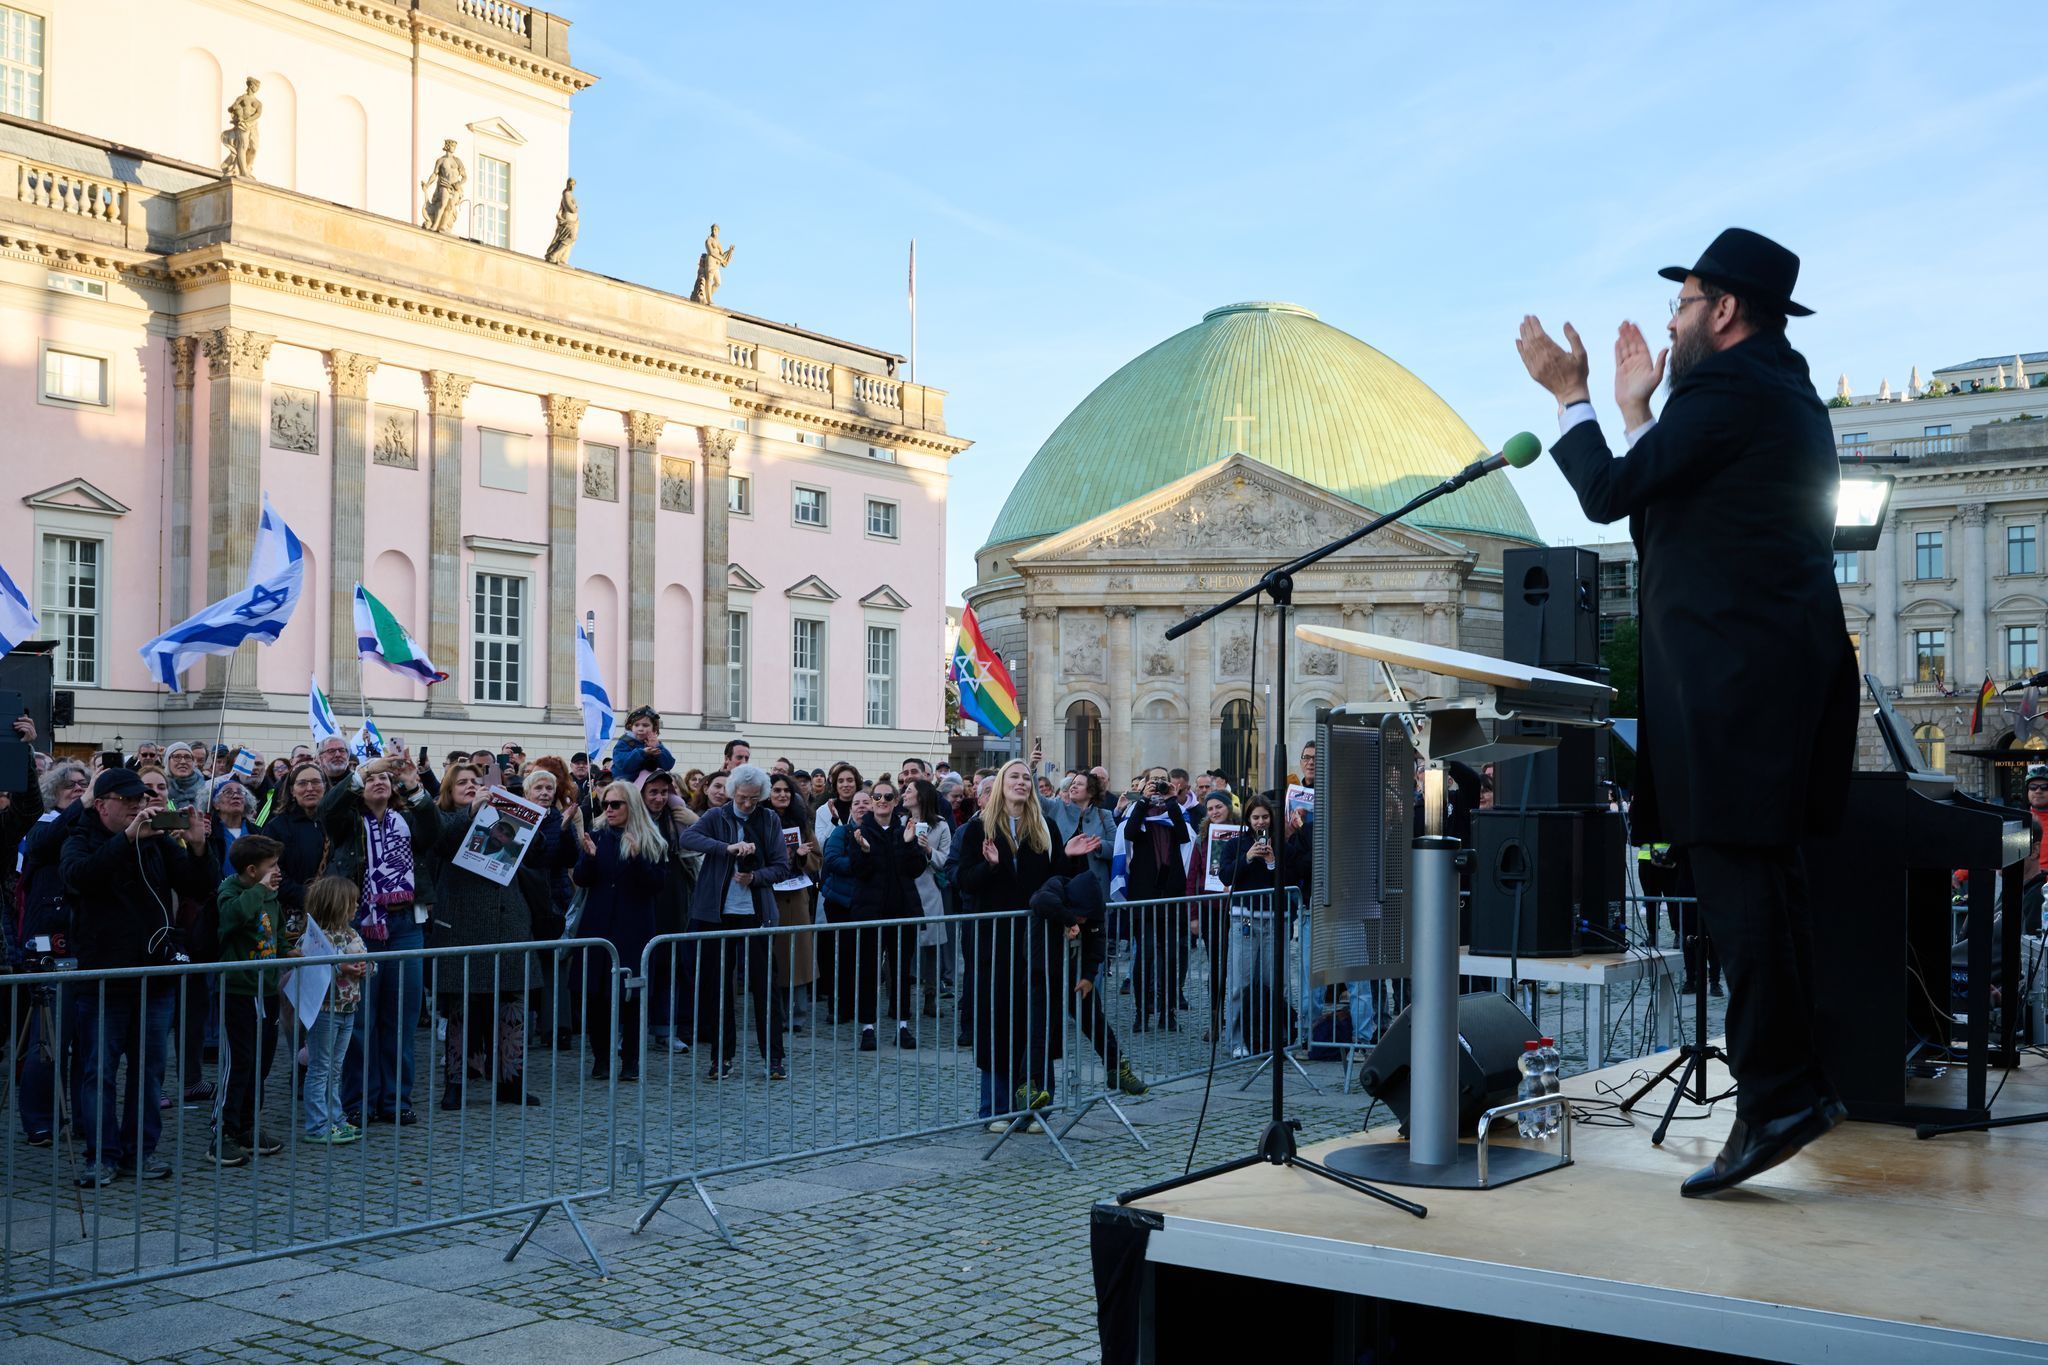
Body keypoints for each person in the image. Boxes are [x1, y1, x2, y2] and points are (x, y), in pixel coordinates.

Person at [1515, 226, 1856, 1198]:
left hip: (1733, 690)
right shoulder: (1774, 394)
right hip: (1765, 684)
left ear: (1723, 311)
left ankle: (1777, 1097)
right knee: (1766, 891)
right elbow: (1665, 504)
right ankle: (1791, 1088)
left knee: (1743, 900)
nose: (1667, 322)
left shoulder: (1730, 389)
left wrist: (1569, 398)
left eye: (1680, 303)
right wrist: (1638, 411)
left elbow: (1610, 498)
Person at [62, 769, 215, 1185]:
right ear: (102, 804)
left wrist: (200, 847)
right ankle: (102, 1155)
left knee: (148, 1072)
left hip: (154, 976)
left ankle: (139, 1153)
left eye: (141, 797)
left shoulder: (158, 840)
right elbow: (80, 877)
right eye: (126, 798)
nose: (137, 805)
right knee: (99, 1072)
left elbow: (198, 887)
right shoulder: (81, 837)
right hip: (104, 978)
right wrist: (127, 839)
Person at [956, 759, 1102, 1126]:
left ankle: (1038, 1108)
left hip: (1039, 941)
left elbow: (1057, 884)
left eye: (1026, 778)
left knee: (1037, 1021)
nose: (1021, 783)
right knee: (998, 1022)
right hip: (996, 942)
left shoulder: (1046, 827)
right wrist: (988, 866)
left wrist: (1069, 860)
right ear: (1002, 784)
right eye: (1014, 777)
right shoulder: (979, 830)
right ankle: (996, 1108)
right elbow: (963, 881)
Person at [319, 749, 442, 1126]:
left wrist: (410, 780)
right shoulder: (347, 823)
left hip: (405, 928)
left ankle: (395, 1100)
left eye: (384, 780)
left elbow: (434, 830)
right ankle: (359, 1101)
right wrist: (365, 769)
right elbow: (327, 809)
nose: (379, 783)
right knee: (361, 1022)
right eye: (373, 779)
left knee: (400, 1020)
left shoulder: (407, 820)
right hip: (362, 927)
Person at [427, 773, 542, 1109]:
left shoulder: (505, 812)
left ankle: (511, 1081)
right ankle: (456, 1083)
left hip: (508, 921)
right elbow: (443, 844)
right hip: (463, 922)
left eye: (477, 781)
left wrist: (521, 812)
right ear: (449, 790)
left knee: (511, 1006)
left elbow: (536, 855)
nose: (471, 786)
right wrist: (472, 813)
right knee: (463, 1009)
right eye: (463, 782)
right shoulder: (445, 818)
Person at [679, 765, 792, 1080]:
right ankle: (721, 1058)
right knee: (719, 989)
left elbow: (782, 867)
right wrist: (726, 849)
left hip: (756, 914)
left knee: (764, 988)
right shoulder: (718, 816)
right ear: (731, 794)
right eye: (742, 798)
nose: (746, 804)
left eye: (753, 799)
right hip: (717, 915)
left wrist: (755, 876)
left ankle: (774, 1059)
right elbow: (688, 838)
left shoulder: (768, 819)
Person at [573, 782, 670, 1081]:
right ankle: (601, 1058)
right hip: (598, 926)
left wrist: (639, 856)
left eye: (616, 804)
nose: (610, 810)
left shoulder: (652, 839)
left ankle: (631, 1061)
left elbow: (656, 885)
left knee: (632, 998)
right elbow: (581, 879)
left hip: (634, 927)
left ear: (631, 806)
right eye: (606, 804)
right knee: (597, 996)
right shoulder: (598, 836)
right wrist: (588, 857)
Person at [213, 834, 289, 1166]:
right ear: (252, 870)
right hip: (239, 990)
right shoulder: (232, 890)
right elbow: (232, 918)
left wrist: (291, 953)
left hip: (267, 990)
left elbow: (277, 933)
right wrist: (259, 891)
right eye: (272, 866)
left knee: (261, 1061)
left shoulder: (270, 894)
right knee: (239, 1062)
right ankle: (222, 1132)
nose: (278, 871)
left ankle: (247, 1125)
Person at [1219, 797, 1310, 1059]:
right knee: (1240, 982)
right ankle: (1236, 1040)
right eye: (1256, 817)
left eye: (1265, 817)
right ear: (1248, 819)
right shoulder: (1236, 844)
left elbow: (1293, 879)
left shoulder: (1283, 846)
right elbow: (1225, 876)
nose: (1261, 822)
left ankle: (1272, 1036)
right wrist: (1247, 858)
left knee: (1275, 982)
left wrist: (1272, 863)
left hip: (1275, 919)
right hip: (1244, 919)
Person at [847, 778, 924, 1051]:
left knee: (902, 972)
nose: (881, 801)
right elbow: (859, 872)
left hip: (903, 911)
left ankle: (903, 1025)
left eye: (887, 797)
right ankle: (868, 1027)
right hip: (870, 912)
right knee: (868, 972)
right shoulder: (859, 830)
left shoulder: (905, 829)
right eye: (876, 797)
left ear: (895, 801)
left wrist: (908, 843)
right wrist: (865, 851)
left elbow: (915, 869)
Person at [298, 876, 370, 1145]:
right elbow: (309, 965)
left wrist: (365, 967)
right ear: (337, 905)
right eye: (352, 902)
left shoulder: (352, 933)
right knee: (320, 1068)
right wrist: (341, 967)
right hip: (325, 1009)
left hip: (349, 1007)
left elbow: (369, 962)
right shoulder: (314, 936)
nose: (356, 906)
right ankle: (318, 1125)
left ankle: (336, 1119)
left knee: (336, 1068)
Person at [1118, 774, 1192, 1033]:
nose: (1159, 786)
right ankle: (1142, 1012)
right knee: (1145, 954)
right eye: (1155, 781)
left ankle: (1168, 1013)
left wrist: (1171, 800)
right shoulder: (1137, 810)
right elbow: (1128, 833)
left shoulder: (1175, 812)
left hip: (1170, 892)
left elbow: (1183, 837)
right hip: (1144, 892)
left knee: (1170, 956)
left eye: (1164, 781)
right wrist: (1143, 800)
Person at [640, 768, 700, 1054]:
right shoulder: (632, 819)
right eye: (653, 792)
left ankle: (665, 1029)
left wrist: (690, 819)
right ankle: (631, 1031)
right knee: (640, 968)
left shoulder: (675, 819)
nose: (659, 798)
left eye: (664, 792)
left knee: (668, 966)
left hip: (672, 898)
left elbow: (696, 846)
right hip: (641, 900)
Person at [766, 772, 820, 1031]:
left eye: (786, 791)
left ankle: (798, 1015)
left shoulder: (802, 823)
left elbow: (817, 859)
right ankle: (776, 1014)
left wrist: (800, 857)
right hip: (771, 897)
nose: (782, 795)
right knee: (774, 960)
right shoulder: (761, 822)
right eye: (776, 790)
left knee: (799, 959)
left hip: (797, 898)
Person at [818, 788, 871, 1028]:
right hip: (841, 902)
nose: (861, 806)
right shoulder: (841, 831)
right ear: (850, 810)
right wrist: (862, 863)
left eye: (865, 802)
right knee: (843, 958)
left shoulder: (877, 833)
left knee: (865, 959)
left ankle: (863, 1008)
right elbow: (832, 860)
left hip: (867, 903)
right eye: (857, 803)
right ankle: (838, 1007)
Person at [901, 778, 953, 1017]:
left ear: (920, 796)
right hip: (903, 890)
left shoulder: (940, 826)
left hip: (929, 891)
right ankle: (898, 999)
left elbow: (946, 860)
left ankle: (930, 997)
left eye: (908, 790)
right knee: (900, 946)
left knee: (931, 948)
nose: (903, 794)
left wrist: (928, 850)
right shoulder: (899, 821)